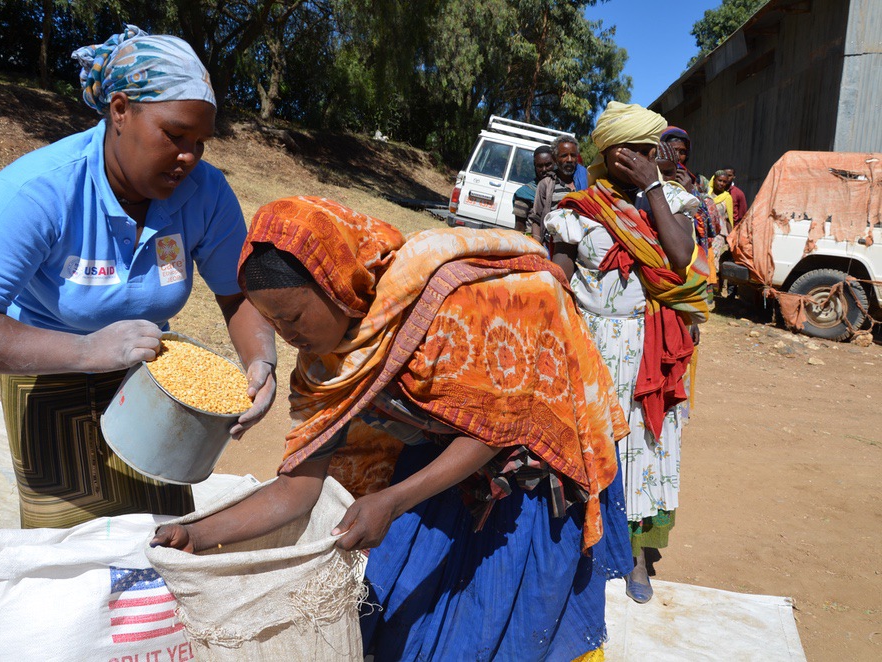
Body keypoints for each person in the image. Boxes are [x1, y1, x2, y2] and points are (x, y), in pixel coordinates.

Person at [152, 196, 633, 660]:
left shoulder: (448, 311)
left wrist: (394, 500)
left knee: (497, 624)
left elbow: (493, 428)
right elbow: (297, 487)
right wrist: (199, 535)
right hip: (444, 463)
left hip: (530, 470)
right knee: (403, 614)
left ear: (337, 283)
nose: (287, 334)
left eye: (294, 316)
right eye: (273, 322)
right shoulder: (324, 369)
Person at [0, 26, 277, 529]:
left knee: (159, 541)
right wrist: (87, 352)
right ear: (121, 110)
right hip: (48, 374)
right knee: (72, 553)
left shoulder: (207, 194)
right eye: (175, 136)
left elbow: (237, 295)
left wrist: (260, 358)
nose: (189, 157)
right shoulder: (39, 190)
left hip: (154, 384)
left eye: (200, 143)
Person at [542, 102, 709, 604]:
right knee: (593, 444)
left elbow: (682, 259)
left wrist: (653, 186)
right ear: (610, 154)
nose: (643, 158)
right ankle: (586, 545)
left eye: (648, 151)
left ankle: (636, 555)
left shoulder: (674, 201)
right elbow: (558, 279)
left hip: (650, 348)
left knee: (646, 450)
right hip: (592, 345)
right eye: (633, 152)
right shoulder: (578, 210)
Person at [660, 126, 722, 306]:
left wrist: (688, 193)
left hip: (690, 246)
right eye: (673, 150)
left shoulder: (697, 181)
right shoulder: (651, 178)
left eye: (683, 152)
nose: (679, 156)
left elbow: (707, 223)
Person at [511, 144, 554, 233]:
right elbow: (519, 229)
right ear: (535, 166)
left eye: (548, 165)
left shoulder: (560, 190)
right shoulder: (524, 194)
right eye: (540, 166)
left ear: (555, 163)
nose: (544, 169)